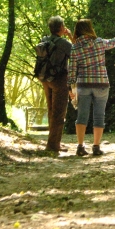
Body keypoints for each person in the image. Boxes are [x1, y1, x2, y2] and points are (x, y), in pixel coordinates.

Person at [68, 19, 115, 156]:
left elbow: (71, 70)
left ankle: (80, 146)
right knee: (99, 116)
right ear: (90, 29)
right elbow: (112, 42)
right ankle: (96, 146)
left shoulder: (75, 47)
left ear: (77, 30)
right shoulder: (99, 42)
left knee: (82, 116)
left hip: (83, 85)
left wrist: (70, 89)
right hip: (101, 84)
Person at [41, 16, 73, 154]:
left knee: (51, 110)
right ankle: (53, 146)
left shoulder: (44, 40)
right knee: (59, 113)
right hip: (59, 79)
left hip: (45, 78)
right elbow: (78, 54)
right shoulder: (64, 43)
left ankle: (54, 142)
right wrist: (71, 36)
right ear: (61, 28)